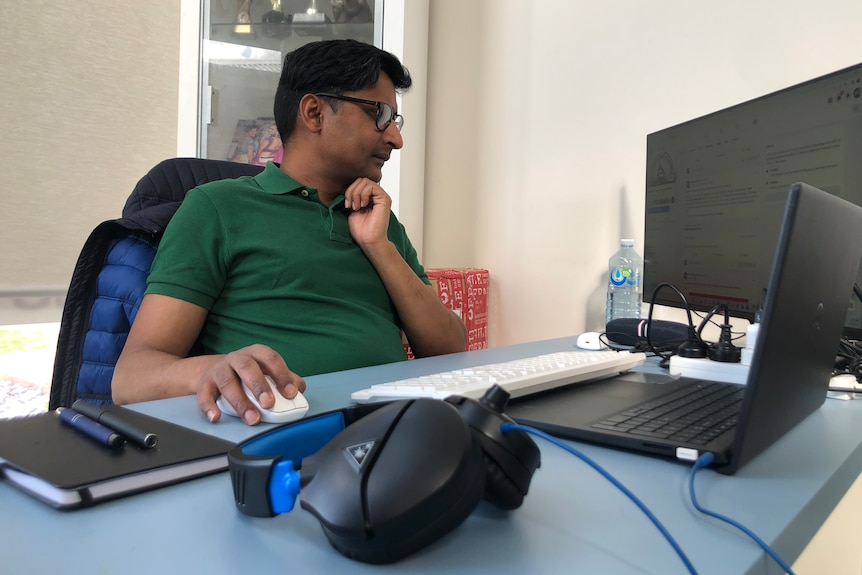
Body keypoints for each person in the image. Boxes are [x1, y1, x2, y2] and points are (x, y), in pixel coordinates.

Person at [112, 39, 467, 425]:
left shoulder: (377, 219)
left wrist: (377, 246)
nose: (396, 139)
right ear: (314, 112)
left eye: (395, 121)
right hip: (280, 438)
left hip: (395, 430)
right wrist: (213, 370)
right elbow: (132, 378)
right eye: (380, 114)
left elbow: (448, 346)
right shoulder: (216, 208)